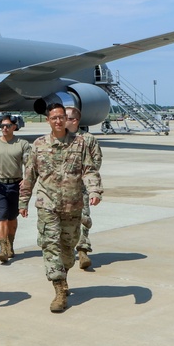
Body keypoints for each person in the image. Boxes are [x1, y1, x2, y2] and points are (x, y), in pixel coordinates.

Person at [18, 103, 102, 313]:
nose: (58, 121)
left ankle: (63, 273)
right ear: (48, 120)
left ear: (66, 119)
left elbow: (89, 170)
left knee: (68, 248)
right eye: (53, 118)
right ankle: (59, 289)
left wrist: (94, 191)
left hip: (73, 205)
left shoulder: (79, 143)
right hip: (48, 205)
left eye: (61, 117)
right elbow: (29, 176)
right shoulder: (38, 145)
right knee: (50, 244)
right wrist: (23, 201)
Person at [0, 114, 30, 264]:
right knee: (1, 217)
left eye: (8, 126)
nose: (4, 128)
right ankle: (2, 249)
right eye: (2, 126)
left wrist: (27, 179)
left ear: (14, 127)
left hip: (16, 185)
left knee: (12, 218)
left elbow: (29, 164)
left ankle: (10, 244)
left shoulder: (22, 144)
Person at [66, 106, 103, 270]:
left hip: (81, 188)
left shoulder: (88, 139)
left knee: (83, 218)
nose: (61, 120)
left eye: (65, 117)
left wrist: (86, 180)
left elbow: (96, 162)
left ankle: (82, 251)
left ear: (75, 120)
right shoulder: (58, 138)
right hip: (61, 189)